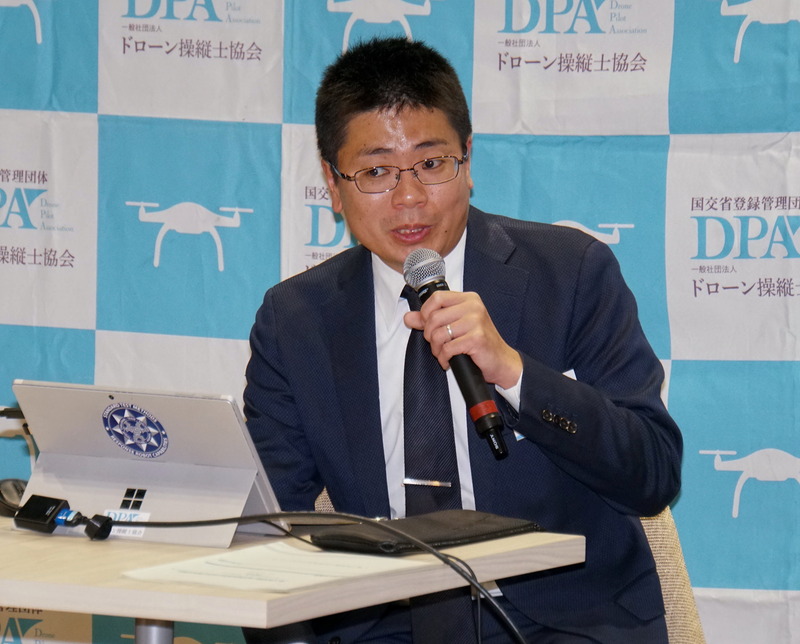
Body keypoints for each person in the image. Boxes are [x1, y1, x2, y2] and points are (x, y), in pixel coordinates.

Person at [243, 36, 682, 643]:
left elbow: (653, 475)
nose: (409, 198)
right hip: (382, 620)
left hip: (561, 619)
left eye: (431, 164)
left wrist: (515, 374)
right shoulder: (296, 319)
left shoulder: (570, 273)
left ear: (467, 161)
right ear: (333, 184)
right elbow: (268, 520)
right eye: (375, 172)